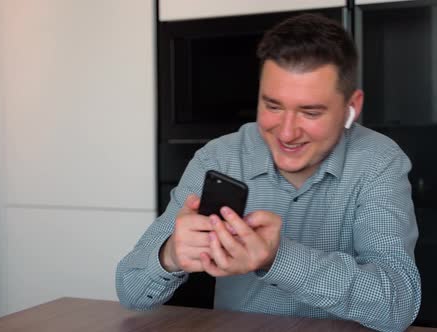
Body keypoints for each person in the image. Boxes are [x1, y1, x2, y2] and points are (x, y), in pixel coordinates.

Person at [115, 13, 421, 332]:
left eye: (310, 112)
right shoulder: (219, 158)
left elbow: (397, 304)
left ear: (351, 106)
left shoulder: (378, 162)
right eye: (273, 106)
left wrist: (277, 258)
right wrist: (171, 255)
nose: (286, 133)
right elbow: (130, 289)